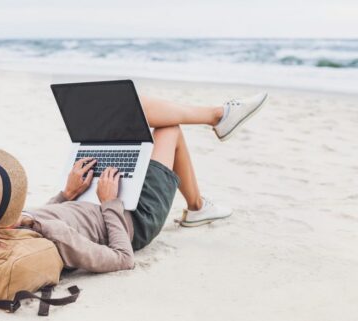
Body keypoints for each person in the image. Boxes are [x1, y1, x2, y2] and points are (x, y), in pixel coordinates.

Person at [18, 92, 268, 273]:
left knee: (122, 107)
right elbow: (122, 258)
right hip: (133, 218)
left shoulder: (3, 221)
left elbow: (47, 214)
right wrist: (110, 202)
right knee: (168, 129)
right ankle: (217, 117)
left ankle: (198, 205)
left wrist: (67, 193)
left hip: (87, 198)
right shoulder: (52, 235)